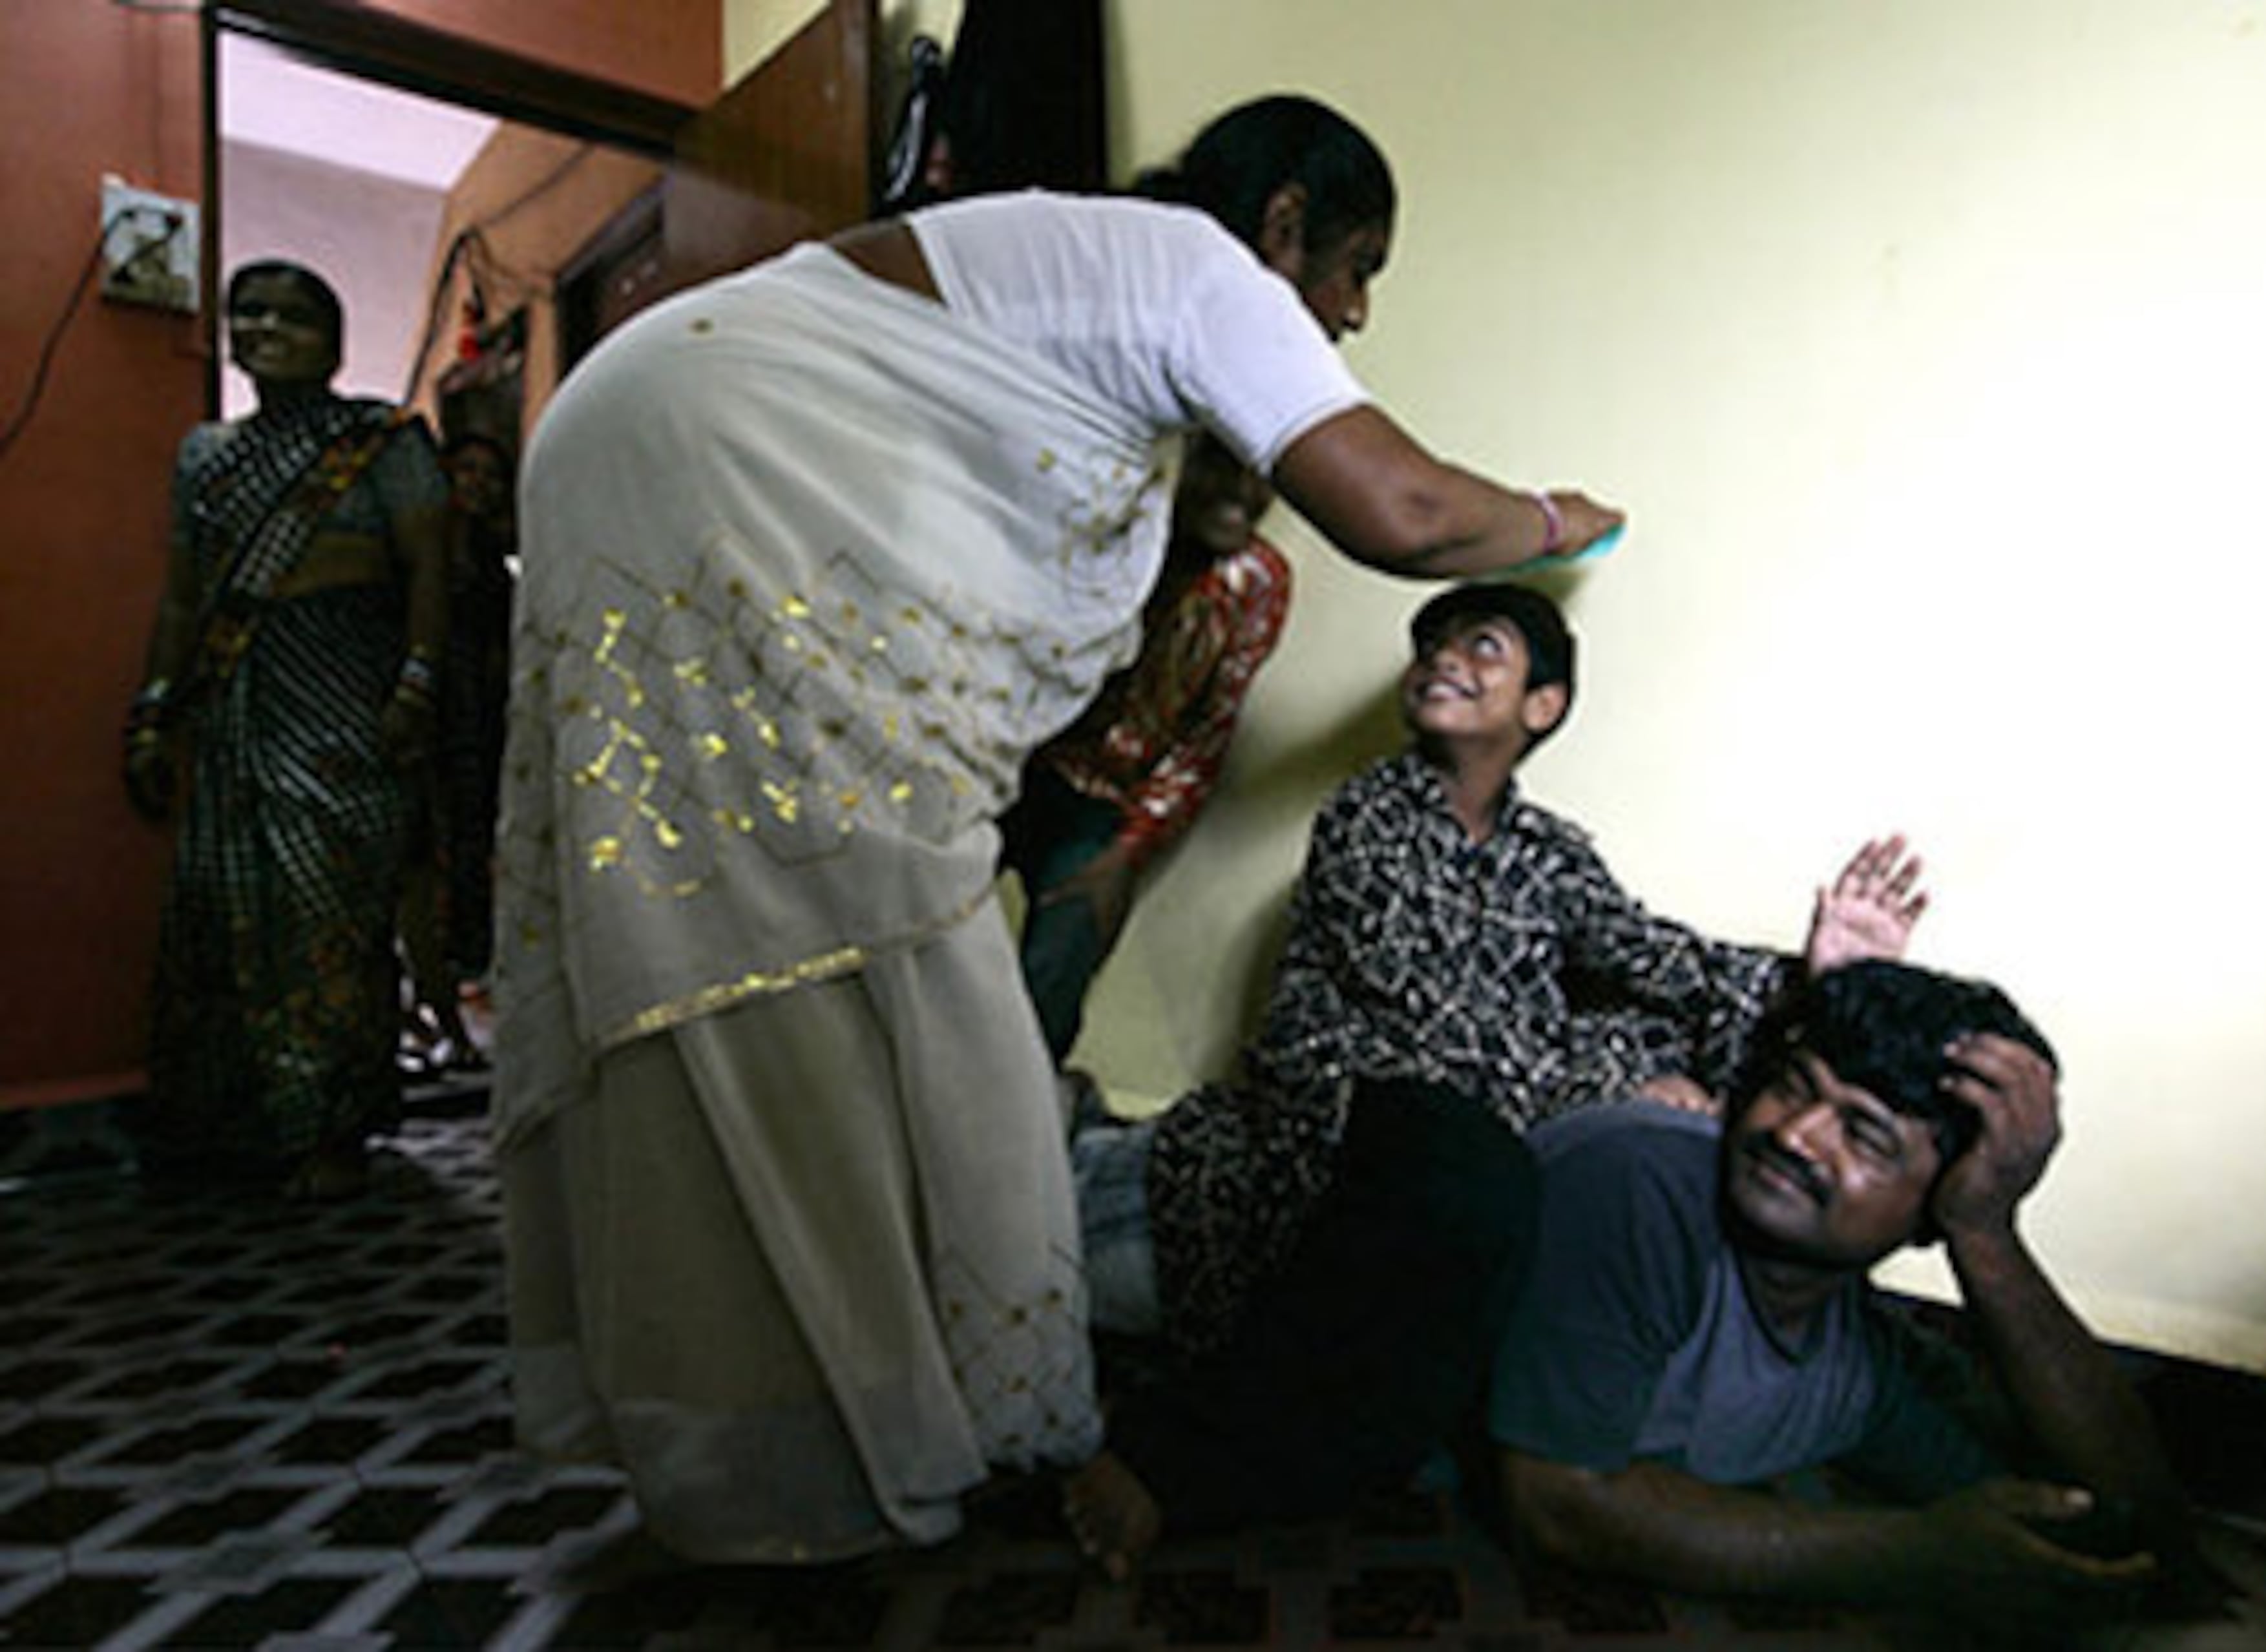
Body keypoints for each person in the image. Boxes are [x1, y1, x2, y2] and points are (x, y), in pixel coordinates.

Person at [492, 94, 1624, 1566]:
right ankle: (851, 1450)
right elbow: (1399, 510)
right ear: (1282, 219)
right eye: (1354, 266)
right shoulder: (1196, 265)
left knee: (746, 945)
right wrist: (1557, 517)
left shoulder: (1073, 267)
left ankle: (780, 1444)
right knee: (842, 951)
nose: (1344, 315)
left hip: (632, 425)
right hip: (710, 456)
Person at [1061, 582, 1925, 1575]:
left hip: (1437, 1200)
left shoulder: (1552, 857)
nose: (1442, 659)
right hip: (1288, 1171)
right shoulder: (1371, 818)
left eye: (1482, 646)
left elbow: (1663, 966)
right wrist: (1619, 1085)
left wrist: (1812, 982)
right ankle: (1166, 1455)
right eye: (1429, 644)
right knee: (982, 1228)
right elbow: (1440, 1034)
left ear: (1542, 707)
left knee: (1607, 1088)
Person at [1490, 959, 2192, 1623]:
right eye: (1794, 1086)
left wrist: (1986, 1231)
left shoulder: (1853, 1362)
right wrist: (1912, 1555)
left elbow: (2128, 1523)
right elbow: (1555, 1501)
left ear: (1936, 1206)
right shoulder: (1642, 1181)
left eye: (1865, 1135)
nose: (1796, 1134)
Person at [122, 258, 449, 1201]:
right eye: (248, 313)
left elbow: (428, 572)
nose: (265, 329)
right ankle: (239, 1126)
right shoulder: (206, 456)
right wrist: (153, 710)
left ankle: (335, 1129)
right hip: (233, 714)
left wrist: (416, 687)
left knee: (330, 926)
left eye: (290, 316)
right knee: (229, 924)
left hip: (346, 710)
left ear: (333, 340)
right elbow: (184, 599)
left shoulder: (385, 441)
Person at [1000, 431, 1289, 1061]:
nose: (1242, 491)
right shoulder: (1105, 527)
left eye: (1261, 474)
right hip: (1003, 759)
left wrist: (1129, 849)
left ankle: (1010, 1121)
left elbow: (1206, 738)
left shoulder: (1255, 581)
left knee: (1067, 945)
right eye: (1219, 464)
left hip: (1101, 798)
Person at [398, 432, 516, 1075]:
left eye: (490, 474)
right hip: (429, 725)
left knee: (469, 861)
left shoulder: (489, 559)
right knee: (422, 870)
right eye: (465, 469)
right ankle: (435, 1015)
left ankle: (451, 1010)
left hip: (478, 726)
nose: (478, 483)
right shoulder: (421, 550)